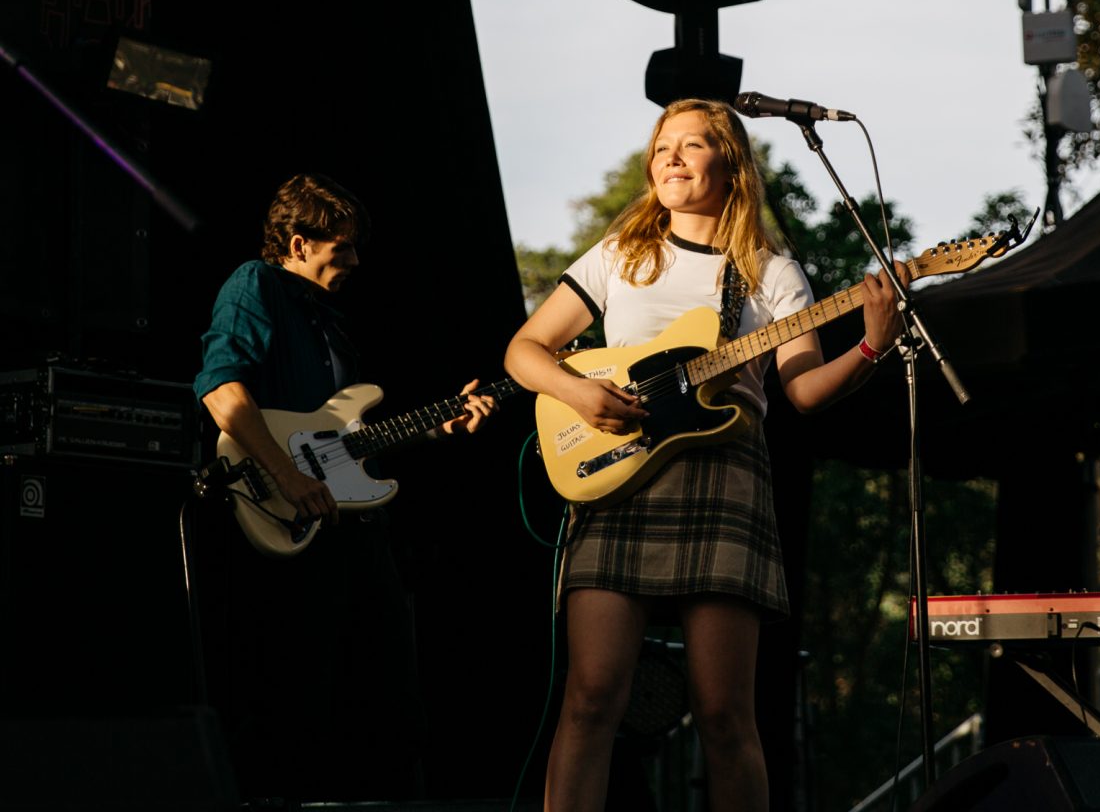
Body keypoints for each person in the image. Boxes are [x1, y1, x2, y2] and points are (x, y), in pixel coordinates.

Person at [504, 98, 905, 811]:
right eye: (662, 147)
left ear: (732, 164)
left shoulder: (773, 274)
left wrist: (872, 345)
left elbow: (803, 392)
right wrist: (578, 394)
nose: (672, 157)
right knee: (591, 700)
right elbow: (523, 351)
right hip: (616, 474)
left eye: (691, 144)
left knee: (725, 716)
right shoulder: (620, 255)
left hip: (724, 480)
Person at [193, 173, 494, 801]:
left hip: (343, 522)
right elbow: (223, 391)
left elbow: (346, 440)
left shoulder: (330, 322)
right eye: (342, 247)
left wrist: (437, 428)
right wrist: (288, 475)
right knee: (292, 692)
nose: (355, 260)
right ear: (299, 244)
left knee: (386, 696)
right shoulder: (258, 283)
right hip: (281, 509)